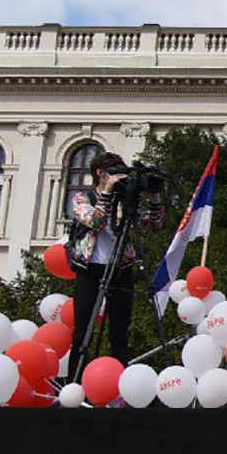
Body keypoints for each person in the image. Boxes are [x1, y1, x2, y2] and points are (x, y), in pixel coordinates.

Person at [67, 152, 166, 379]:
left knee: (119, 334)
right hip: (90, 272)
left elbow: (152, 226)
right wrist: (108, 193)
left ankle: (118, 387)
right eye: (115, 172)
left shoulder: (125, 203)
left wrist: (155, 200)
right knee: (83, 334)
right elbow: (97, 221)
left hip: (120, 270)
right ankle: (74, 383)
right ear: (100, 174)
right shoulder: (83, 198)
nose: (120, 177)